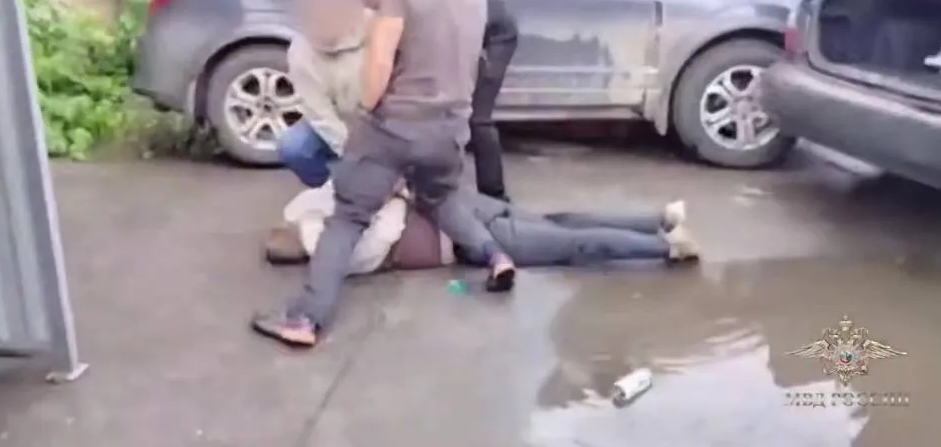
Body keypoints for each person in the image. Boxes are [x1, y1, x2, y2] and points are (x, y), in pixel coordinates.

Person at [251, 0, 510, 348]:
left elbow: (380, 62)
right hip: (450, 125)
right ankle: (496, 256)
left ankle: (305, 320)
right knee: (440, 198)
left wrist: (370, 107)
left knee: (347, 218)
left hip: (397, 127)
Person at [263, 184, 700, 285]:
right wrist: (394, 195)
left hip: (463, 224)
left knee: (566, 235)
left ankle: (662, 234)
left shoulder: (320, 216)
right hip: (463, 222)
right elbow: (386, 231)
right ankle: (661, 230)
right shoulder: (339, 243)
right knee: (565, 229)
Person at [355, 0, 518, 202]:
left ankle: (495, 197)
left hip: (494, 33)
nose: (371, 8)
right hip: (466, 27)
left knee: (477, 118)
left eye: (369, 0)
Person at [275, 0, 370, 187]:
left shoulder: (375, 26)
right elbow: (319, 114)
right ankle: (331, 185)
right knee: (294, 145)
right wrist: (353, 154)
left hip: (379, 121)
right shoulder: (300, 53)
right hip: (339, 122)